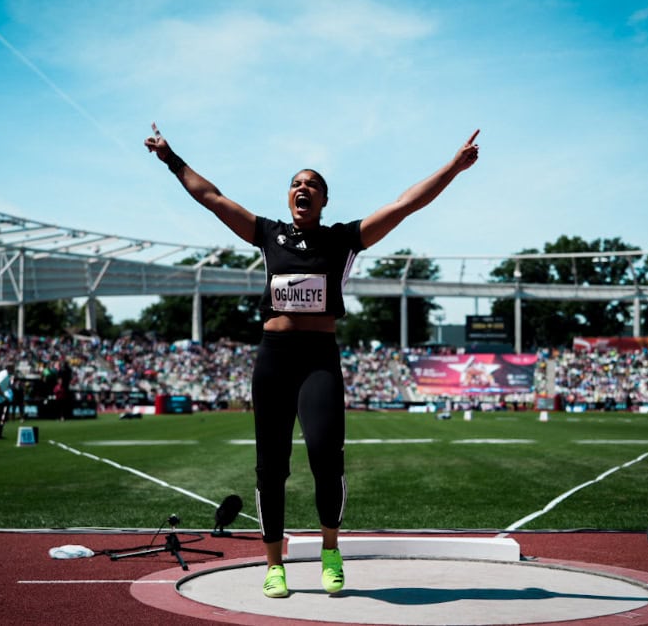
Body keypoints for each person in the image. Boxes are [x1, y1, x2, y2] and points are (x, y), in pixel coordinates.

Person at [144, 122, 479, 598]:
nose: (304, 189)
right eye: (297, 184)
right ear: (289, 199)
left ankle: (330, 550)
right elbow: (212, 198)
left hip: (318, 360)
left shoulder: (343, 239)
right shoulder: (268, 235)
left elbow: (405, 205)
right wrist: (170, 157)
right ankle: (274, 564)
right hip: (274, 358)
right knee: (270, 465)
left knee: (326, 458)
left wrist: (454, 167)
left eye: (313, 185)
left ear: (324, 202)